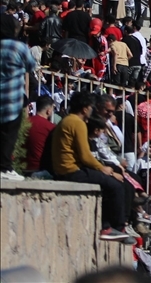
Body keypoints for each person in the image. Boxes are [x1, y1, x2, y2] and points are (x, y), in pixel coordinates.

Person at [51, 91, 134, 242]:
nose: (92, 110)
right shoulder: (78, 123)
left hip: (66, 169)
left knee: (110, 184)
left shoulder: (68, 120)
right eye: (90, 107)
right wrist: (103, 169)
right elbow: (85, 155)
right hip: (71, 171)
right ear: (84, 108)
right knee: (115, 186)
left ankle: (108, 224)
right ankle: (117, 227)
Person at [1, 16, 36, 180]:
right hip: (12, 97)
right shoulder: (19, 47)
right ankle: (5, 168)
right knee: (9, 134)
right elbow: (31, 65)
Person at [24, 95, 56, 174]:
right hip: (40, 169)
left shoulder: (25, 123)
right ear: (48, 110)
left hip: (22, 168)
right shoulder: (51, 128)